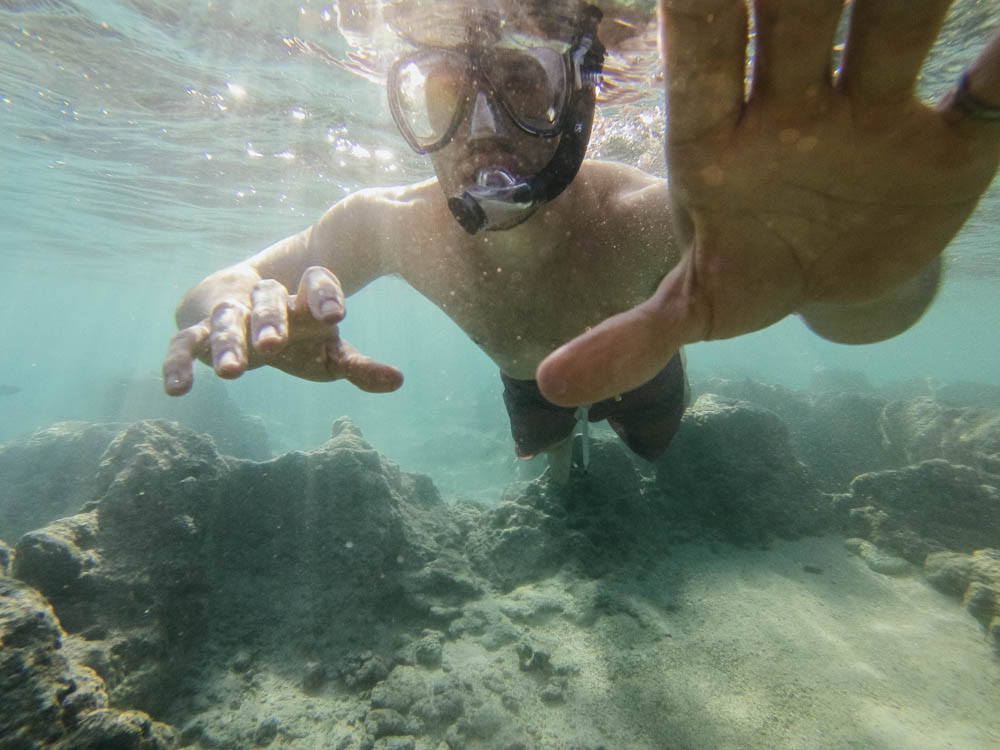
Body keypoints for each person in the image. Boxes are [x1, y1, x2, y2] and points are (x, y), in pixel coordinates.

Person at [163, 0, 1000, 481]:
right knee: (552, 472)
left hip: (642, 360)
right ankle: (569, 479)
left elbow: (846, 302)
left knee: (656, 449)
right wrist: (227, 302)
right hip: (529, 381)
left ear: (580, 104)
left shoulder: (646, 215)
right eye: (440, 96)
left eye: (526, 85)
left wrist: (861, 274)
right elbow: (225, 283)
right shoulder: (383, 223)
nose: (479, 134)